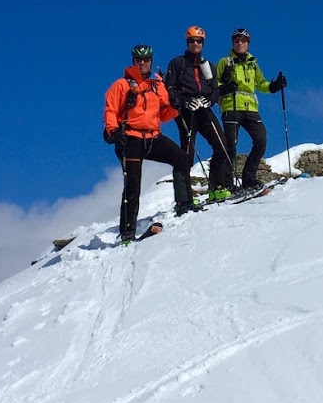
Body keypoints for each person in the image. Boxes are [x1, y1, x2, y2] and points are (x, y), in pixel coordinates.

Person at [103, 44, 201, 242]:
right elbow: (111, 110)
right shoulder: (121, 85)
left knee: (182, 158)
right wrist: (113, 131)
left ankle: (184, 202)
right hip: (131, 137)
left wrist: (174, 106)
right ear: (133, 61)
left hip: (153, 136)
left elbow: (164, 115)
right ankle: (128, 231)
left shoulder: (158, 85)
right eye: (139, 60)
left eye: (146, 60)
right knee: (133, 183)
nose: (142, 63)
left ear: (151, 61)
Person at [162, 26, 236, 201]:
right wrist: (184, 101)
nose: (195, 44)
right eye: (192, 40)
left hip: (204, 108)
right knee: (186, 153)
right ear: (187, 42)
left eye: (199, 41)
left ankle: (216, 187)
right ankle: (185, 197)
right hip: (185, 112)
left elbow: (215, 90)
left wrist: (208, 100)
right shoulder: (177, 63)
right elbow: (169, 87)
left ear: (203, 43)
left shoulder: (208, 65)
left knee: (221, 145)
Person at [215, 27, 287, 192]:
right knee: (230, 145)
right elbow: (213, 85)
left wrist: (275, 85)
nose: (240, 43)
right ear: (233, 43)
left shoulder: (252, 64)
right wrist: (225, 87)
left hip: (250, 107)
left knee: (261, 140)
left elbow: (261, 84)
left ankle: (248, 178)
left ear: (248, 44)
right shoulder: (224, 62)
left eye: (243, 41)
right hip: (231, 105)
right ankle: (227, 184)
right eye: (237, 41)